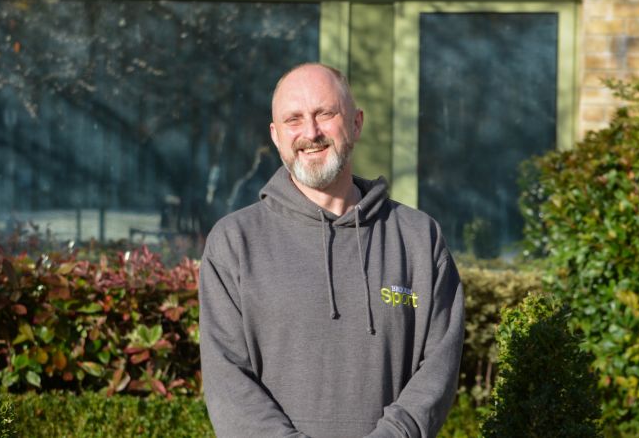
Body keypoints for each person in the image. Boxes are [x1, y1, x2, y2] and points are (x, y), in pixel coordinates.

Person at [199, 63, 464, 437]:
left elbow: (438, 366)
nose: (311, 132)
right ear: (275, 136)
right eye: (294, 119)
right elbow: (228, 379)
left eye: (325, 114)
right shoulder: (234, 243)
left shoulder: (419, 239)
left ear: (356, 123)